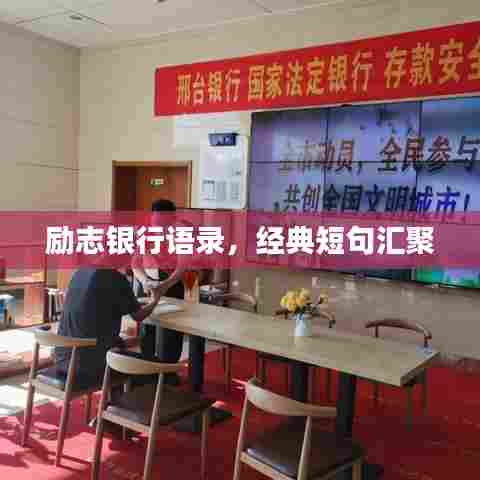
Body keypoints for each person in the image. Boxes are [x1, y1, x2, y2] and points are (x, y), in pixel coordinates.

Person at [54, 265, 174, 385]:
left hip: (62, 359)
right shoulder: (115, 278)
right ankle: (126, 395)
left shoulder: (79, 272)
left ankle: (117, 394)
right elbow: (138, 316)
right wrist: (155, 299)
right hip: (88, 367)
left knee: (127, 353)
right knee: (162, 369)